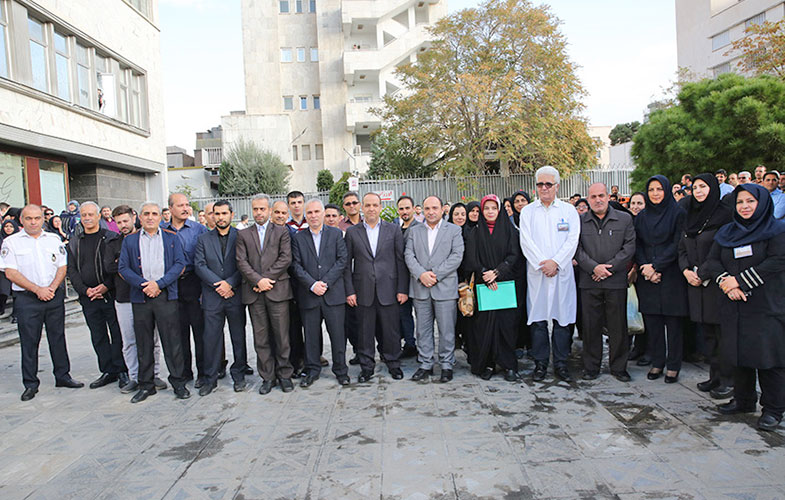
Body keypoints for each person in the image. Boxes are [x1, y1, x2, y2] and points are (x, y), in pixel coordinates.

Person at [705, 184, 785, 431]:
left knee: (769, 358)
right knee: (738, 353)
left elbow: (777, 261)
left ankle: (773, 409)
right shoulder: (727, 231)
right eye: (740, 202)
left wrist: (740, 280)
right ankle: (744, 399)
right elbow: (712, 261)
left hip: (765, 305)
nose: (745, 206)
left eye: (750, 201)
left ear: (761, 203)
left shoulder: (776, 231)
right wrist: (727, 285)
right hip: (733, 304)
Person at [0, 205, 83, 401]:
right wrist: (37, 290)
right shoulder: (11, 243)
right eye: (29, 218)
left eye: (37, 218)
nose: (33, 222)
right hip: (27, 299)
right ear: (21, 220)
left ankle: (63, 376)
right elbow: (10, 272)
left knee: (58, 338)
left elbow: (62, 267)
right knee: (29, 341)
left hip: (53, 295)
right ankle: (30, 383)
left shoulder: (53, 240)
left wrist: (52, 288)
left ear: (42, 220)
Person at [119, 202, 190, 403]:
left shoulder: (171, 238)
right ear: (139, 217)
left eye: (154, 214)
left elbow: (179, 264)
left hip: (165, 295)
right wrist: (144, 285)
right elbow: (124, 268)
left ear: (161, 217)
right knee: (144, 342)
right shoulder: (130, 241)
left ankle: (178, 383)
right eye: (146, 214)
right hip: (141, 297)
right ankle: (146, 385)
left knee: (172, 341)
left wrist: (159, 284)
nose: (150, 217)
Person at [519, 166, 580, 382]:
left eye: (548, 184)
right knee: (538, 320)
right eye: (540, 184)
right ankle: (541, 363)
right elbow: (526, 241)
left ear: (557, 186)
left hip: (561, 273)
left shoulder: (568, 211)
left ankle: (561, 363)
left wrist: (556, 262)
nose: (544, 188)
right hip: (538, 273)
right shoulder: (528, 211)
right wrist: (543, 264)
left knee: (562, 319)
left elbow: (572, 240)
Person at [678, 173, 734, 399]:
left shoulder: (724, 216)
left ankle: (729, 380)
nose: (699, 191)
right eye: (695, 187)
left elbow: (720, 249)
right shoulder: (689, 215)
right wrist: (685, 271)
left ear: (713, 188)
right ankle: (715, 376)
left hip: (715, 283)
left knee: (722, 335)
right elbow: (681, 247)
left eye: (703, 186)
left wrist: (702, 273)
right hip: (695, 283)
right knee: (707, 333)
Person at [344, 192, 408, 382]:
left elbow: (400, 261)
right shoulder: (353, 232)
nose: (371, 208)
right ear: (362, 208)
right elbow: (346, 265)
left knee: (391, 330)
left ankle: (393, 363)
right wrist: (350, 291)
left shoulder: (393, 230)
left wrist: (402, 289)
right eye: (368, 205)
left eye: (375, 205)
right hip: (363, 290)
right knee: (365, 332)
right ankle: (366, 367)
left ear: (381, 207)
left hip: (389, 289)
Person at [575, 183, 636, 381]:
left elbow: (629, 248)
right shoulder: (580, 221)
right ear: (588, 199)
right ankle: (591, 366)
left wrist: (607, 268)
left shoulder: (624, 219)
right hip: (589, 280)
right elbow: (575, 248)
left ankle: (618, 367)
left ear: (608, 196)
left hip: (615, 280)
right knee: (591, 327)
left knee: (617, 325)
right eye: (593, 197)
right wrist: (594, 267)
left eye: (601, 195)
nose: (597, 200)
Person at [236, 193, 295, 394]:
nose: (259, 212)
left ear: (269, 210)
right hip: (254, 293)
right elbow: (241, 262)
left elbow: (285, 258)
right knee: (260, 338)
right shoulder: (243, 234)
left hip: (277, 291)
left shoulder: (281, 232)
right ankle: (267, 377)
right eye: (255, 209)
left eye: (262, 209)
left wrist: (265, 280)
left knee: (281, 336)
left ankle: (285, 375)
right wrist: (257, 280)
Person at [105, 205, 166, 395]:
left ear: (134, 218)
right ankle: (134, 377)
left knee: (152, 338)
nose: (123, 225)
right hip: (124, 297)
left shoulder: (145, 238)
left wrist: (127, 267)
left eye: (125, 220)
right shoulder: (113, 243)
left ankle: (153, 374)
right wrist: (126, 268)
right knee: (129, 340)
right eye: (119, 222)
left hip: (147, 295)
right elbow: (110, 267)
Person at [66, 202, 128, 390]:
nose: (87, 218)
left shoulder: (111, 238)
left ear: (98, 216)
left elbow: (116, 266)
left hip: (110, 293)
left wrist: (104, 287)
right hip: (88, 297)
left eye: (90, 214)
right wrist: (85, 290)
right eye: (83, 215)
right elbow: (72, 269)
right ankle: (107, 370)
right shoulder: (75, 240)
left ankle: (121, 369)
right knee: (98, 334)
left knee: (117, 333)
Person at [635, 175, 689, 384]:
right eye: (651, 190)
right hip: (647, 275)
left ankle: (673, 365)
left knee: (673, 324)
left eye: (659, 189)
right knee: (653, 322)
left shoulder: (678, 214)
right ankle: (657, 362)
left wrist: (657, 266)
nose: (655, 194)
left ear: (666, 190)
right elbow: (637, 244)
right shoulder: (642, 216)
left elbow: (678, 244)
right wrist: (646, 268)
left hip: (671, 274)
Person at [291, 199, 350, 387]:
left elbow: (342, 260)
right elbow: (295, 265)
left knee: (338, 335)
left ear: (323, 213)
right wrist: (311, 284)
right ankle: (312, 370)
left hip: (333, 294)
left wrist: (325, 282)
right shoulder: (298, 238)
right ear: (305, 215)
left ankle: (341, 370)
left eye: (317, 212)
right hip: (309, 296)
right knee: (311, 336)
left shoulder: (335, 234)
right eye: (310, 213)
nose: (314, 216)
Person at [193, 200, 251, 395]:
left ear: (231, 215)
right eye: (216, 214)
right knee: (211, 338)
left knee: (238, 336)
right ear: (212, 216)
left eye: (224, 213)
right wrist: (219, 284)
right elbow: (199, 265)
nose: (220, 217)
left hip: (235, 294)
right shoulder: (203, 239)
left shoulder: (242, 236)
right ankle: (210, 378)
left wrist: (230, 283)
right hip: (212, 296)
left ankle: (239, 374)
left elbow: (244, 263)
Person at [405, 196, 464, 383]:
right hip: (420, 287)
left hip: (444, 287)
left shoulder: (454, 230)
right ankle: (425, 364)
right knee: (423, 329)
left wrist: (435, 274)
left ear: (442, 210)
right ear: (421, 210)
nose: (431, 211)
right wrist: (421, 274)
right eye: (427, 208)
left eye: (434, 208)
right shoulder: (414, 231)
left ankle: (447, 364)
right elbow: (408, 255)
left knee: (446, 329)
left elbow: (456, 256)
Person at [464, 194, 523, 380]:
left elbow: (514, 256)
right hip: (484, 285)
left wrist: (497, 273)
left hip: (504, 283)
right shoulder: (475, 232)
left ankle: (508, 365)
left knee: (506, 326)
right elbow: (471, 259)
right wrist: (486, 274)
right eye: (486, 208)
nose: (490, 212)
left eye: (494, 208)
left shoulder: (510, 231)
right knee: (484, 326)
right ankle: (488, 364)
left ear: (499, 210)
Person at [165, 193, 209, 387]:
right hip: (172, 286)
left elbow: (204, 260)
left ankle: (203, 373)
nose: (185, 208)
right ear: (170, 209)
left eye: (187, 205)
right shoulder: (162, 231)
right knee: (178, 332)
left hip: (194, 283)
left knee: (200, 332)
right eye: (180, 205)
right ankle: (184, 372)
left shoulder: (199, 230)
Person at [395, 195, 420, 359]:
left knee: (421, 315)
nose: (404, 211)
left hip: (418, 279)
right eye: (401, 208)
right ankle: (409, 344)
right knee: (403, 314)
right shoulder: (395, 229)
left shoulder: (420, 228)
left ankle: (422, 347)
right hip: (400, 280)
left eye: (407, 208)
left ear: (413, 209)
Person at [0, 219, 19, 320]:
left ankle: (16, 314)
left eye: (11, 227)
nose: (8, 229)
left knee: (17, 292)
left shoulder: (18, 239)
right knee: (4, 291)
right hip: (3, 269)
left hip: (17, 269)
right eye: (6, 226)